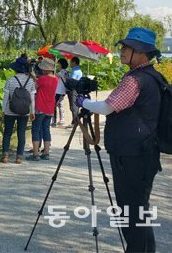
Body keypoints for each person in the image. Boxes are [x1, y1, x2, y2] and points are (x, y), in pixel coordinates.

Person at [76, 27, 163, 252]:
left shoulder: (136, 80)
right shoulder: (153, 75)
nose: (122, 51)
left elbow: (107, 107)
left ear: (141, 52)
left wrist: (82, 103)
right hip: (144, 152)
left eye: (127, 47)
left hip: (132, 156)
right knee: (139, 208)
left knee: (130, 210)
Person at [2, 58, 36, 164]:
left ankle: (5, 156)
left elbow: (6, 98)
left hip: (10, 111)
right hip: (24, 111)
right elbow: (32, 99)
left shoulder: (10, 80)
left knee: (7, 133)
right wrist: (32, 112)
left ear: (15, 69)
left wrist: (3, 110)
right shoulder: (30, 81)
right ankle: (19, 157)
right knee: (21, 133)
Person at [26, 58, 58, 161]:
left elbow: (36, 86)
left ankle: (35, 153)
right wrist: (36, 78)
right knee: (46, 129)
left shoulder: (43, 79)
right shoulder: (55, 79)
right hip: (50, 108)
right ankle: (46, 153)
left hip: (40, 107)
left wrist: (33, 77)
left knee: (35, 129)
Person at [66, 56, 83, 128]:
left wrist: (67, 77)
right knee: (74, 106)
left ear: (74, 62)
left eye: (71, 62)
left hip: (74, 90)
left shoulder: (75, 71)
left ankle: (75, 122)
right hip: (76, 89)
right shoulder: (76, 70)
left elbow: (71, 81)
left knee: (74, 106)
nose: (70, 63)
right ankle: (76, 121)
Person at [52, 58, 69, 127]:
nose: (58, 65)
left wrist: (52, 68)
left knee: (54, 106)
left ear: (61, 64)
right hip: (61, 91)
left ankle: (54, 121)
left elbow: (55, 75)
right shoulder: (66, 72)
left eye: (59, 63)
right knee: (60, 105)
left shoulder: (62, 72)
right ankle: (62, 119)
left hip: (59, 92)